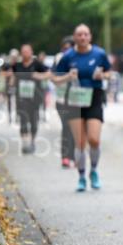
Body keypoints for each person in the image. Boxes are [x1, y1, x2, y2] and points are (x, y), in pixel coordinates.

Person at [54, 24, 111, 191]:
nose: (83, 37)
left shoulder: (99, 54)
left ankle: (93, 170)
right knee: (80, 142)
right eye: (79, 35)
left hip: (94, 98)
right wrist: (67, 77)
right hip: (74, 100)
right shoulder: (68, 56)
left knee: (94, 139)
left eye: (85, 34)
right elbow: (55, 79)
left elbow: (109, 73)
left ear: (90, 36)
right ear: (74, 37)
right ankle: (81, 176)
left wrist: (103, 75)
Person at [12, 43, 49, 154]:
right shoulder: (17, 65)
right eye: (23, 51)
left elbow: (48, 74)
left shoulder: (37, 64)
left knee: (33, 121)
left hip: (35, 97)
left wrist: (38, 76)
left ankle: (32, 141)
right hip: (21, 98)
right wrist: (11, 82)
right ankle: (25, 143)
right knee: (23, 120)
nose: (25, 53)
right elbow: (11, 76)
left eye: (27, 51)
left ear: (31, 52)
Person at [53, 38, 76, 168]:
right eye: (64, 48)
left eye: (69, 48)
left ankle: (73, 156)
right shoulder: (59, 59)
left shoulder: (79, 59)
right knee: (66, 126)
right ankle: (66, 157)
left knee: (76, 128)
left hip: (77, 99)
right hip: (61, 100)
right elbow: (53, 77)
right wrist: (67, 77)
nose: (67, 51)